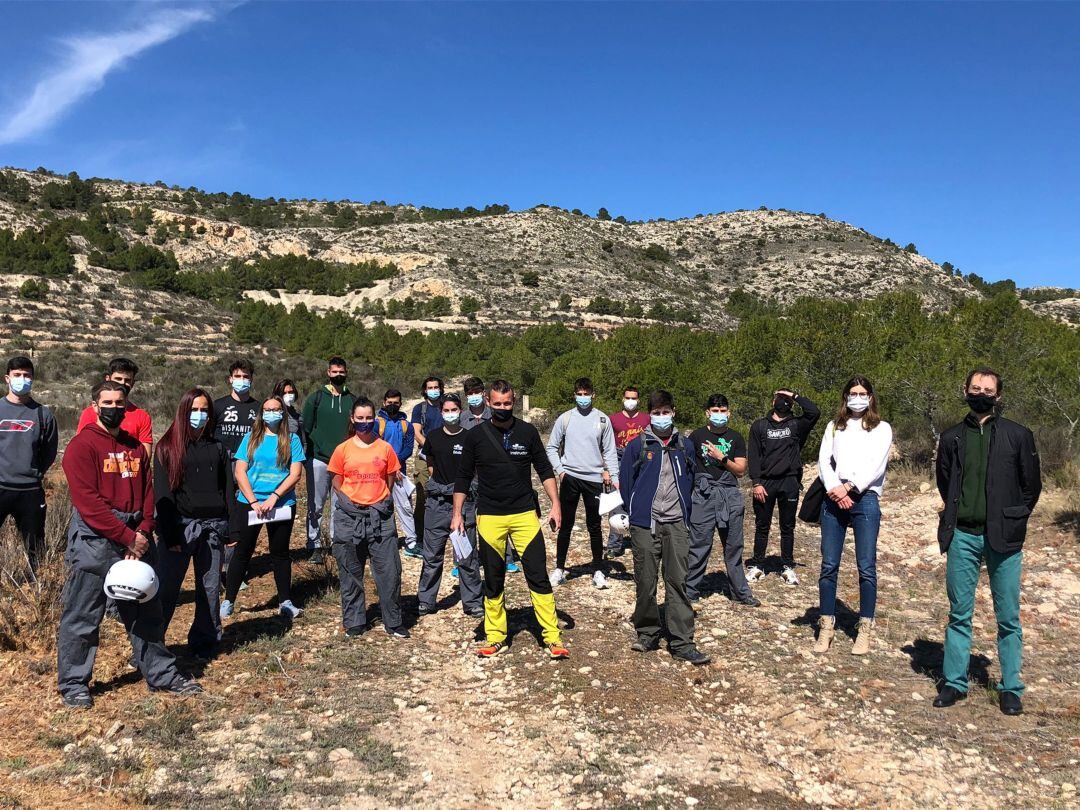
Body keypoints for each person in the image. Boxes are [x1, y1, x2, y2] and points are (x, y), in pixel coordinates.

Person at [57, 381, 201, 708]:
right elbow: (88, 503)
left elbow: (148, 492)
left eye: (119, 402)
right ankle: (74, 683)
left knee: (146, 610)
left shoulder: (135, 447)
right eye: (107, 402)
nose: (113, 407)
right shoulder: (82, 446)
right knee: (83, 614)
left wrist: (143, 531)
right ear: (94, 407)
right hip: (96, 540)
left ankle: (160, 673)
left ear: (126, 406)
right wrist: (126, 537)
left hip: (135, 536)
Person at [932, 368, 1041, 716]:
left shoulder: (1018, 435)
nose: (981, 393)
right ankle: (954, 682)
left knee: (1008, 615)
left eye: (988, 390)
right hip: (962, 534)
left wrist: (1014, 517)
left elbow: (1031, 486)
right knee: (959, 613)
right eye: (975, 388)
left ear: (999, 396)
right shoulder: (951, 437)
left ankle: (1010, 687)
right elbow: (945, 481)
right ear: (964, 391)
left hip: (1003, 538)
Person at [451, 380, 568, 659]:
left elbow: (544, 469)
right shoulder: (476, 436)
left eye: (507, 403)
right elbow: (463, 477)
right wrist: (457, 514)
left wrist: (556, 505)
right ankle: (495, 636)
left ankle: (552, 637)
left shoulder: (527, 432)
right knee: (493, 579)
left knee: (538, 576)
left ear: (513, 402)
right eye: (498, 404)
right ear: (488, 403)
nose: (503, 408)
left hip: (524, 515)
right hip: (489, 516)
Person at [619, 390, 710, 665]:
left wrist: (684, 510)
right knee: (646, 582)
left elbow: (692, 478)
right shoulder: (638, 446)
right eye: (656, 413)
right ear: (650, 415)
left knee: (678, 582)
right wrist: (636, 511)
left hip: (677, 524)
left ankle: (682, 641)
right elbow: (626, 482)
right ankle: (647, 633)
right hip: (645, 524)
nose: (661, 417)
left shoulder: (685, 445)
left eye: (665, 411)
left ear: (674, 412)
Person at [811, 377, 892, 655]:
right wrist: (835, 488)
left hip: (865, 499)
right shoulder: (834, 427)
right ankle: (826, 626)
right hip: (833, 499)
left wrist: (849, 487)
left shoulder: (882, 429)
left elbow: (876, 464)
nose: (858, 398)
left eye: (863, 393)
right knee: (829, 565)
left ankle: (865, 627)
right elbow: (824, 460)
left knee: (866, 567)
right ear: (845, 396)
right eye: (853, 393)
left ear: (871, 397)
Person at [153, 388, 232, 660]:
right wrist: (169, 534)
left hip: (212, 528)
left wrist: (230, 528)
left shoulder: (219, 448)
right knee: (167, 589)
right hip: (179, 528)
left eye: (204, 410)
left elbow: (228, 489)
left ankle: (205, 640)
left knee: (209, 589)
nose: (199, 415)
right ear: (183, 412)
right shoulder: (166, 448)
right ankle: (152, 645)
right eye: (194, 410)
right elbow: (163, 494)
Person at [327, 398, 408, 638]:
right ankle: (354, 621)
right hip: (349, 517)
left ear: (375, 419)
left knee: (389, 570)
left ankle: (393, 621)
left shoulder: (384, 448)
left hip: (379, 517)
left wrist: (380, 500)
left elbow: (390, 478)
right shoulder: (342, 449)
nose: (364, 423)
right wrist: (347, 500)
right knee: (351, 570)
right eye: (360, 418)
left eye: (368, 418)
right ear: (352, 419)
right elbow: (336, 478)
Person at [221, 395, 306, 620]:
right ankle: (228, 601)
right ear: (261, 413)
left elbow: (295, 473)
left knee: (280, 553)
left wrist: (274, 497)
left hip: (281, 504)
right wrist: (254, 502)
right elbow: (240, 471)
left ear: (283, 413)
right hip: (250, 504)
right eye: (267, 409)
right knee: (242, 552)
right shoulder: (250, 438)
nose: (271, 413)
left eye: (276, 409)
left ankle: (285, 601)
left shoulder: (292, 440)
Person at [546, 377, 619, 589]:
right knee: (565, 525)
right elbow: (551, 447)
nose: (583, 397)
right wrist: (560, 471)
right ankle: (560, 568)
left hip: (594, 480)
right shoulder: (565, 418)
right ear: (574, 394)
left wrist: (614, 478)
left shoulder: (603, 420)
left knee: (594, 526)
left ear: (593, 395)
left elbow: (610, 452)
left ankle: (597, 569)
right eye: (580, 393)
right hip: (570, 479)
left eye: (587, 394)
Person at [686, 394, 758, 607]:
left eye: (723, 411)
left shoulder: (736, 438)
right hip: (703, 495)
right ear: (707, 413)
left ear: (729, 413)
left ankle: (740, 592)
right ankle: (689, 590)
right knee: (699, 544)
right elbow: (688, 469)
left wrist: (722, 458)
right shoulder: (696, 437)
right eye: (715, 411)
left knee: (734, 545)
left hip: (730, 496)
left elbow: (741, 470)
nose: (719, 415)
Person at [417, 395, 483, 617]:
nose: (450, 413)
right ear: (441, 412)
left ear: (461, 410)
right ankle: (426, 600)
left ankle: (473, 601)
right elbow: (431, 465)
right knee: (432, 556)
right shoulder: (433, 437)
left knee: (467, 556)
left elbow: (475, 469)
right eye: (446, 410)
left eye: (454, 409)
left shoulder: (470, 437)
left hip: (464, 504)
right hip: (437, 504)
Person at [746, 388, 820, 585]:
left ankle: (787, 566)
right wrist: (756, 482)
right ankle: (758, 564)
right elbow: (753, 455)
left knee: (787, 526)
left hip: (789, 481)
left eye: (787, 400)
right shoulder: (760, 426)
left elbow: (814, 412)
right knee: (762, 525)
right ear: (773, 402)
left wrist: (795, 395)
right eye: (780, 398)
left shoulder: (797, 425)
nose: (783, 402)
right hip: (765, 483)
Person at [0, 356, 58, 575]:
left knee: (36, 547)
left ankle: (39, 590)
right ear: (7, 378)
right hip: (0, 486)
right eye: (17, 375)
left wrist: (34, 472)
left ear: (33, 379)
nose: (21, 379)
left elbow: (50, 451)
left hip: (30, 491)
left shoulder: (43, 415)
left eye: (26, 375)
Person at [460, 375, 519, 574]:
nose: (474, 396)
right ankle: (465, 561)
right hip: (470, 478)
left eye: (477, 392)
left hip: (493, 478)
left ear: (484, 395)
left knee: (501, 517)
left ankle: (507, 558)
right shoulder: (461, 419)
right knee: (467, 521)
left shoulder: (495, 415)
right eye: (470, 393)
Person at [301, 357, 356, 565]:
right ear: (328, 373)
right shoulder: (316, 398)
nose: (338, 375)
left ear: (346, 372)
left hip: (344, 462)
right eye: (334, 372)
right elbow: (305, 428)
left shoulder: (352, 399)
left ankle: (336, 542)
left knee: (338, 504)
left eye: (341, 372)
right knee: (315, 504)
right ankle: (314, 545)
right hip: (319, 459)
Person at [606, 385, 650, 558]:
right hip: (618, 457)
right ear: (623, 399)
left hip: (640, 458)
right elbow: (606, 444)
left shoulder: (646, 419)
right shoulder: (613, 419)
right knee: (615, 501)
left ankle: (640, 539)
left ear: (638, 400)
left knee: (640, 499)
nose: (630, 401)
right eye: (628, 398)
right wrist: (606, 469)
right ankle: (614, 544)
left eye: (634, 398)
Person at [76, 357, 152, 455]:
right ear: (108, 379)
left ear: (133, 383)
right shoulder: (90, 412)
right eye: (118, 379)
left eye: (127, 380)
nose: (122, 383)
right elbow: (81, 447)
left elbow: (145, 455)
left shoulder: (142, 416)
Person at [377, 389, 417, 557]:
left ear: (400, 404)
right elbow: (375, 446)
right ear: (384, 402)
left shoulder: (406, 425)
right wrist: (389, 466)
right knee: (379, 506)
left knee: (405, 506)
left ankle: (411, 542)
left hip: (400, 471)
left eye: (396, 403)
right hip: (379, 472)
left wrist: (396, 465)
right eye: (389, 402)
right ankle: (381, 540)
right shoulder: (376, 423)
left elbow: (408, 448)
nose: (392, 405)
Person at [411, 376, 445, 555]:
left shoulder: (446, 406)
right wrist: (432, 449)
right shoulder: (419, 409)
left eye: (436, 387)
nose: (433, 390)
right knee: (423, 497)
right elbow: (416, 432)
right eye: (430, 387)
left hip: (446, 458)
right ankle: (420, 537)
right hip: (425, 457)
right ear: (424, 390)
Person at [213, 359, 259, 456]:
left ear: (251, 379)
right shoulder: (217, 405)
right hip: (222, 461)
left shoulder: (259, 408)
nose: (241, 380)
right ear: (230, 379)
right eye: (237, 376)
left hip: (248, 461)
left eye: (245, 377)